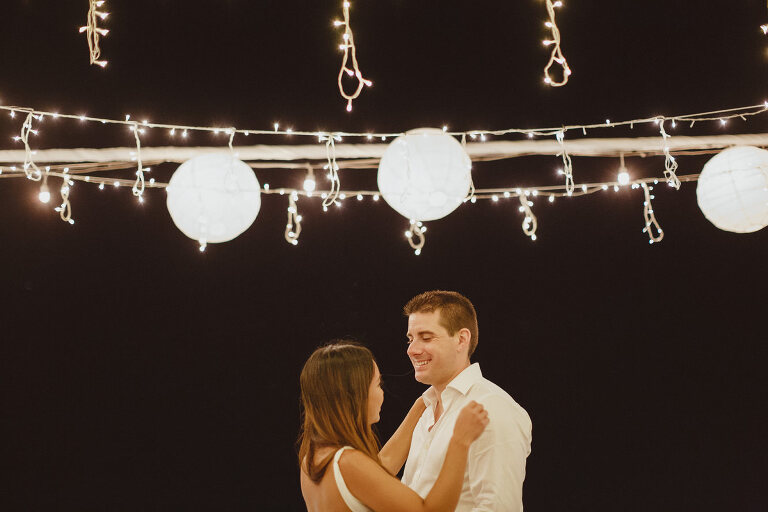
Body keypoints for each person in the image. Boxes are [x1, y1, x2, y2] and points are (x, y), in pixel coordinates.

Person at [298, 341, 489, 512]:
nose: (382, 393)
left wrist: (424, 402)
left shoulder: (313, 459)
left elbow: (381, 467)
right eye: (378, 384)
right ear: (356, 395)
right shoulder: (348, 463)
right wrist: (460, 441)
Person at [402, 291, 532, 511]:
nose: (412, 349)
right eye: (411, 338)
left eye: (426, 337)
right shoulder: (426, 410)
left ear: (461, 339)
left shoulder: (492, 407)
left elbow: (499, 508)